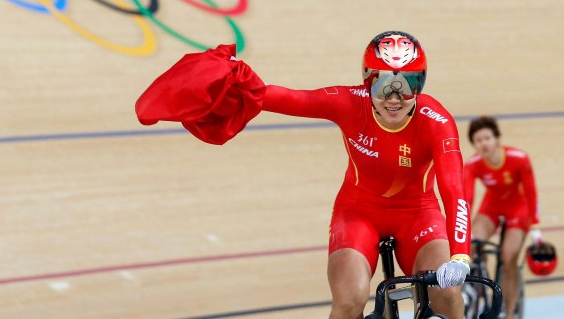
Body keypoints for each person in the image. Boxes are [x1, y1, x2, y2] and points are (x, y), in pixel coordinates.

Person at [136, 31, 472, 319]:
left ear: (421, 84)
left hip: (418, 214)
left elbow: (454, 191)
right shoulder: (347, 102)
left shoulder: (436, 122)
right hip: (359, 213)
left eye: (407, 84)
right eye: (384, 84)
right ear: (367, 81)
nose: (395, 98)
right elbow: (281, 97)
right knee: (348, 302)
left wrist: (459, 255)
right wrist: (233, 80)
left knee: (449, 298)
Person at [464, 116, 541, 317]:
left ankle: (509, 311)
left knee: (508, 258)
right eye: (478, 140)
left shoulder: (519, 158)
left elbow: (531, 193)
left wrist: (536, 226)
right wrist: (462, 227)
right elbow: (467, 198)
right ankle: (471, 284)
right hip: (492, 207)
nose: (483, 143)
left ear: (497, 139)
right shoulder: (472, 164)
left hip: (518, 209)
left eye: (487, 138)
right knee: (470, 242)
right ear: (474, 145)